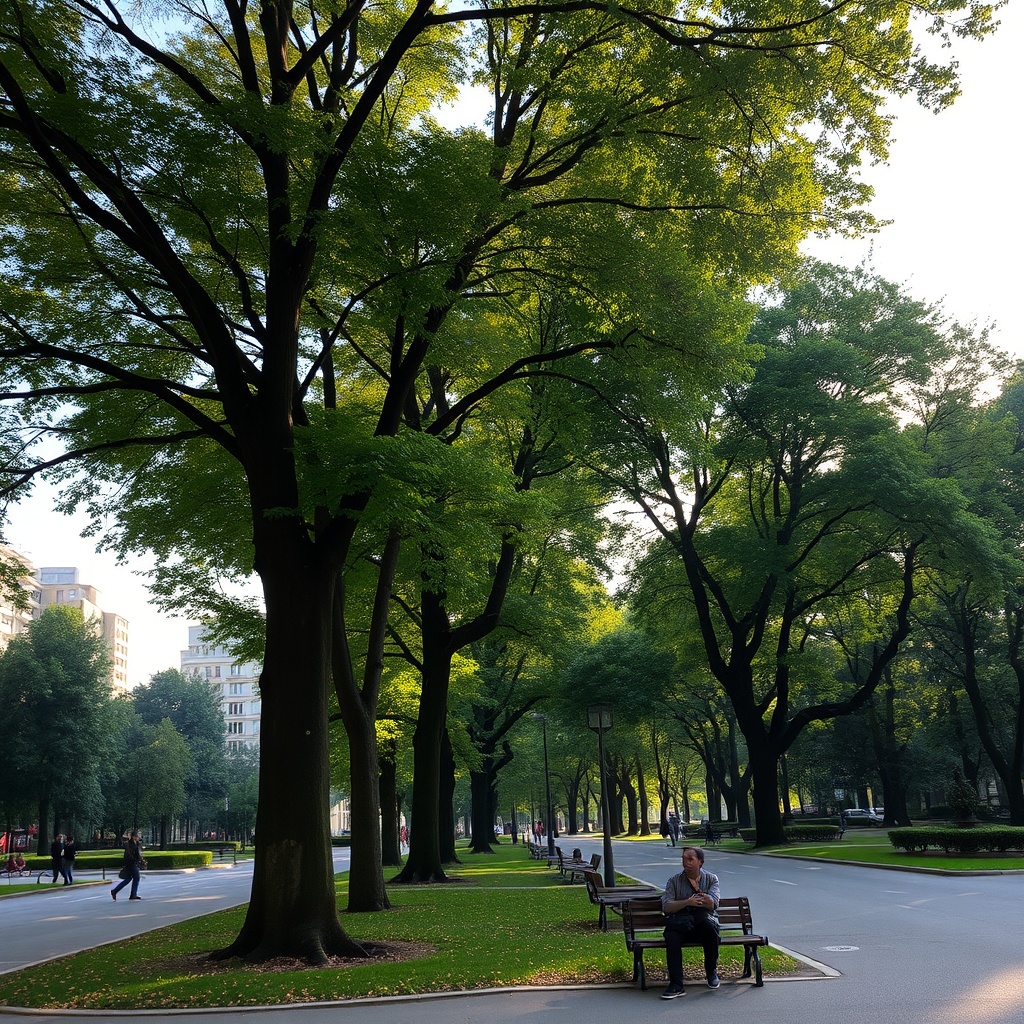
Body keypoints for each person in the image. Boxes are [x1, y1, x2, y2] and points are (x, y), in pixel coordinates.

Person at [659, 845, 721, 998]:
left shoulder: (711, 879)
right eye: (683, 859)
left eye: (690, 859)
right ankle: (676, 984)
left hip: (701, 922)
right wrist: (687, 902)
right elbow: (666, 907)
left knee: (710, 930)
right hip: (681, 924)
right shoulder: (674, 881)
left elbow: (713, 904)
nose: (685, 862)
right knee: (671, 936)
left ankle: (711, 971)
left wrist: (705, 899)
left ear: (700, 862)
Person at [110, 831, 144, 901]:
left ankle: (115, 891)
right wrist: (136, 860)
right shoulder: (129, 844)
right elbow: (128, 856)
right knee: (136, 877)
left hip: (134, 863)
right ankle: (133, 895)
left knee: (128, 878)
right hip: (131, 863)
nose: (139, 837)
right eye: (138, 836)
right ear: (133, 836)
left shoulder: (137, 844)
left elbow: (139, 854)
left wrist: (141, 860)